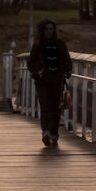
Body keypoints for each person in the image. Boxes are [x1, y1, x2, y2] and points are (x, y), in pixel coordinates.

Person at [28, 19, 72, 147]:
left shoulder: (60, 44)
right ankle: (45, 132)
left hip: (57, 80)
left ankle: (54, 133)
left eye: (51, 29)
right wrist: (38, 71)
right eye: (46, 29)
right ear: (43, 31)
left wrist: (66, 71)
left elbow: (67, 61)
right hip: (43, 81)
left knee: (55, 108)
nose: (49, 32)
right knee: (45, 106)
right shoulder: (38, 45)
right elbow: (31, 62)